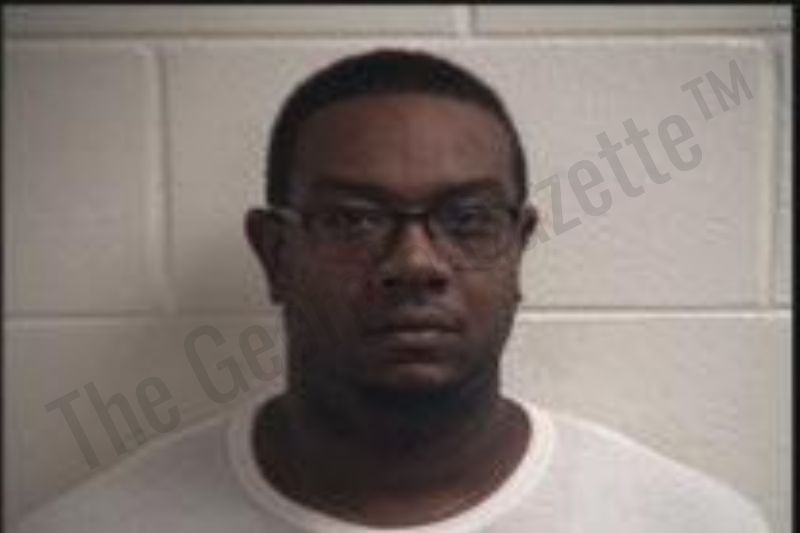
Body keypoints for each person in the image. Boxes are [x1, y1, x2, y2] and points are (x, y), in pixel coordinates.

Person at [15, 48, 770, 533]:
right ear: (274, 254)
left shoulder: (690, 523)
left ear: (518, 247)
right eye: (352, 219)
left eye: (468, 220)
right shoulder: (96, 525)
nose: (415, 263)